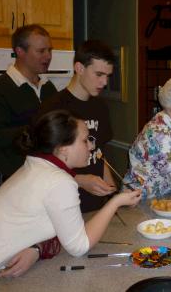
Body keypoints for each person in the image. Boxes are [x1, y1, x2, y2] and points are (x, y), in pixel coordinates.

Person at [0, 110, 141, 280]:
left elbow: (59, 229)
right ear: (63, 149)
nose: (91, 146)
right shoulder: (59, 181)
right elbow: (79, 246)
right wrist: (115, 202)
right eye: (85, 140)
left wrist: (37, 249)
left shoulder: (36, 164)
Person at [38, 40, 117, 213]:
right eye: (99, 74)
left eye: (108, 76)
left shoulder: (101, 107)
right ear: (79, 68)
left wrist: (113, 195)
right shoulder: (53, 108)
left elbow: (99, 155)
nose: (104, 82)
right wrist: (79, 180)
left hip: (96, 205)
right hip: (63, 206)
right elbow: (41, 166)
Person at [0, 24, 57, 181]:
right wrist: (30, 130)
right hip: (16, 180)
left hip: (50, 177)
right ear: (20, 52)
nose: (48, 56)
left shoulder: (48, 87)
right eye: (41, 51)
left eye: (50, 50)